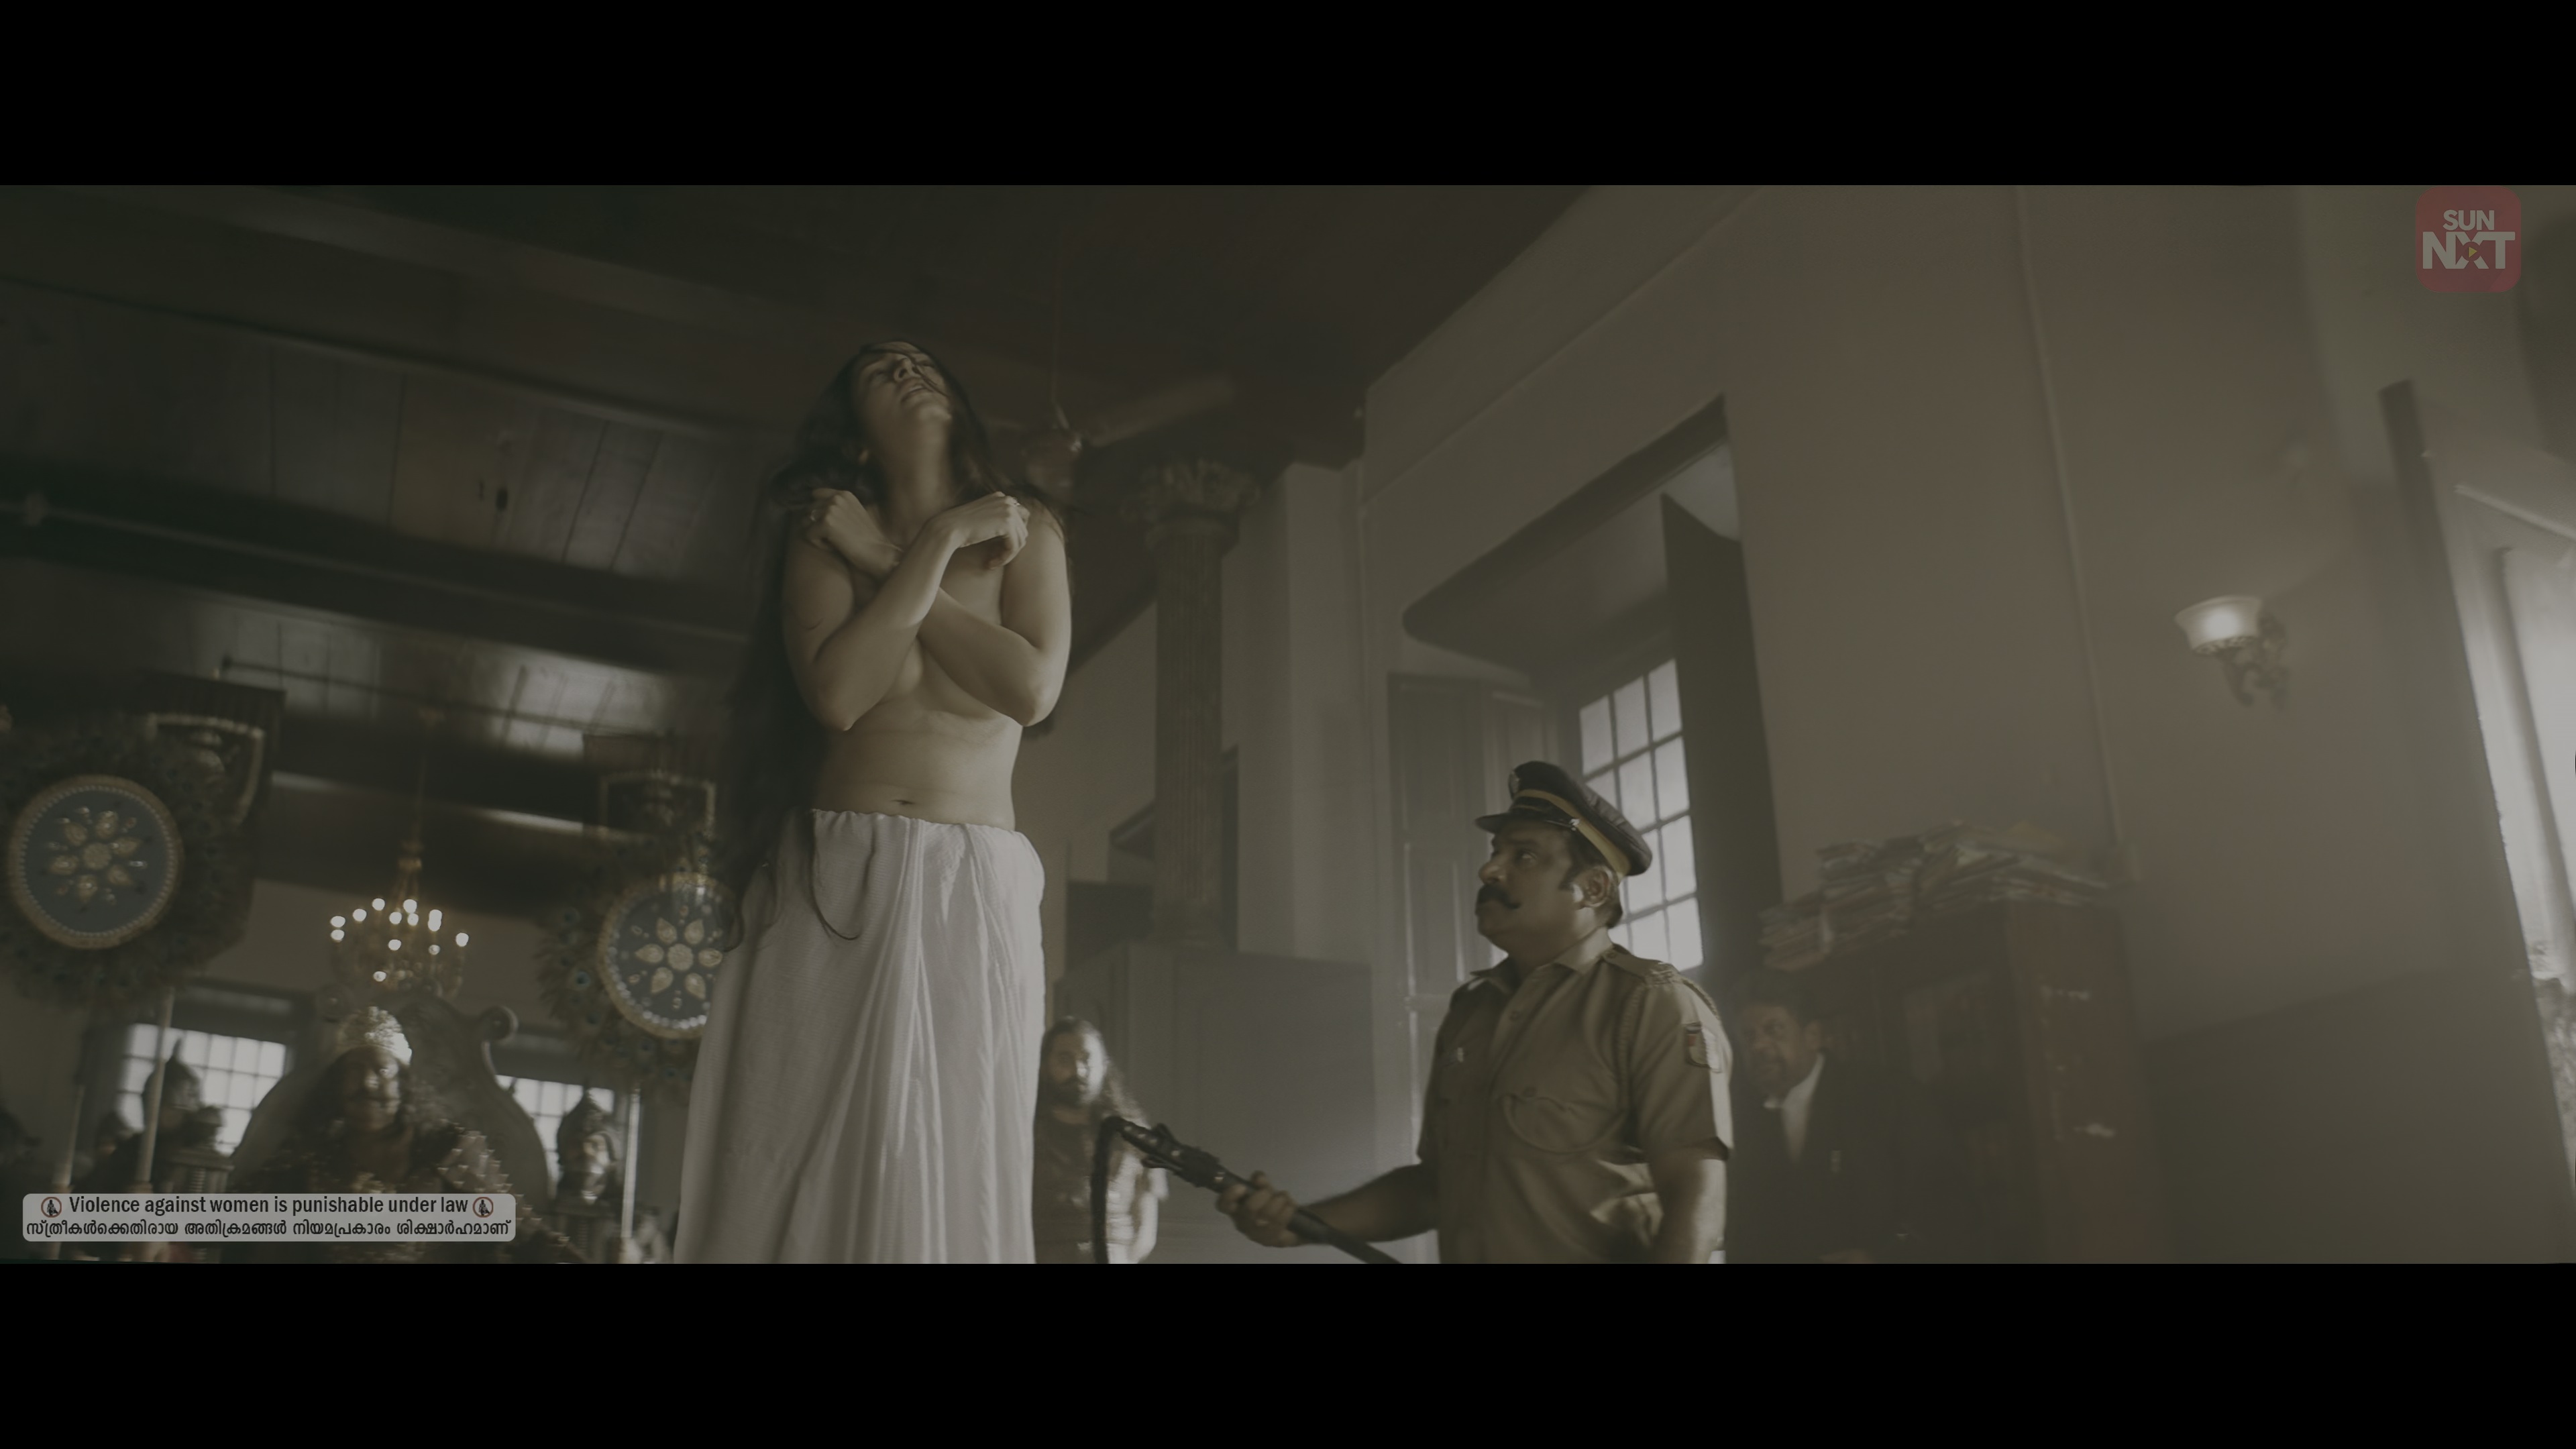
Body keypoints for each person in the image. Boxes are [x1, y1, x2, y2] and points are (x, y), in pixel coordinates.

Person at [679, 341, 1071, 1264]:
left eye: (921, 362)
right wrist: (931, 543)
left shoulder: (1025, 532)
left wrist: (887, 558)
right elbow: (840, 695)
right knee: (792, 1149)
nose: (906, 371)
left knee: (954, 1155)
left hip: (973, 880)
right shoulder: (824, 535)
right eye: (878, 371)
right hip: (835, 879)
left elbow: (1029, 689)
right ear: (854, 437)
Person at [1218, 762, 1732, 1263]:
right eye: (1495, 852)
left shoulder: (1650, 1003)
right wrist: (1298, 1225)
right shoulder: (1472, 1010)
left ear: (1593, 888)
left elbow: (1696, 1196)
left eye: (1524, 856)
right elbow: (1435, 1188)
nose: (1490, 870)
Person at [226, 1044, 582, 1263]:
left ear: (404, 1085)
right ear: (335, 1086)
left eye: (382, 1071)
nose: (368, 1084)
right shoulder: (310, 1158)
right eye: (354, 1071)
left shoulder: (450, 1150)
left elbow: (523, 1231)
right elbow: (235, 1219)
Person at [1723, 969, 1986, 1263]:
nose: (1758, 1046)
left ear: (1812, 1036)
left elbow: (1950, 1206)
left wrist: (1881, 1258)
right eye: (1748, 1036)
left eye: (1774, 1030)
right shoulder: (1749, 1129)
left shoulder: (1884, 1096)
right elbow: (1747, 1238)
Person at [1030, 1018, 1165, 1264]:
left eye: (1087, 1059)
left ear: (1103, 1066)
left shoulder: (1134, 1138)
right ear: (1045, 1066)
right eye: (1065, 1060)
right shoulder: (1027, 1137)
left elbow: (1145, 1231)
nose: (1078, 1071)